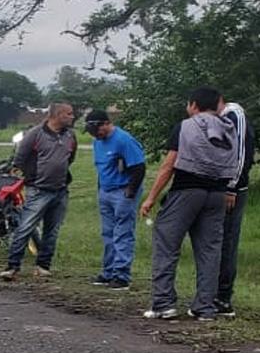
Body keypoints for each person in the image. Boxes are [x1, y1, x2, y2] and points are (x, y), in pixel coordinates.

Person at [138, 87, 237, 321]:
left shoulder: (185, 126)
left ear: (193, 105)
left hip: (186, 190)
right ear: (217, 105)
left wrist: (151, 197)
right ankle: (204, 307)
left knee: (166, 243)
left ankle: (163, 304)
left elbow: (169, 165)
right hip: (217, 194)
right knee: (210, 251)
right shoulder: (229, 129)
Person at [0, 101, 78, 280]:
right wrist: (30, 176)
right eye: (69, 114)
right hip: (38, 189)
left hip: (60, 189)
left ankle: (43, 265)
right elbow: (20, 159)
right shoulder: (35, 134)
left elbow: (70, 158)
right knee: (25, 227)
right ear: (57, 115)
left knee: (52, 230)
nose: (72, 117)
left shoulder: (70, 136)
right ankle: (13, 266)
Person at [85, 109, 146, 291]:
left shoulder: (123, 140)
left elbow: (139, 167)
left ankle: (121, 275)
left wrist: (130, 191)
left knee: (123, 233)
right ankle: (108, 271)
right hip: (105, 190)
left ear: (105, 123)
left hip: (123, 191)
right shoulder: (98, 142)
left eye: (98, 131)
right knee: (108, 233)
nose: (96, 135)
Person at [216, 93, 255, 317]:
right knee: (215, 240)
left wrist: (232, 186)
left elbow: (239, 153)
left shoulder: (234, 114)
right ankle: (212, 292)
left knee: (227, 241)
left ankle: (223, 298)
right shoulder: (224, 117)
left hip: (232, 191)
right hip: (218, 190)